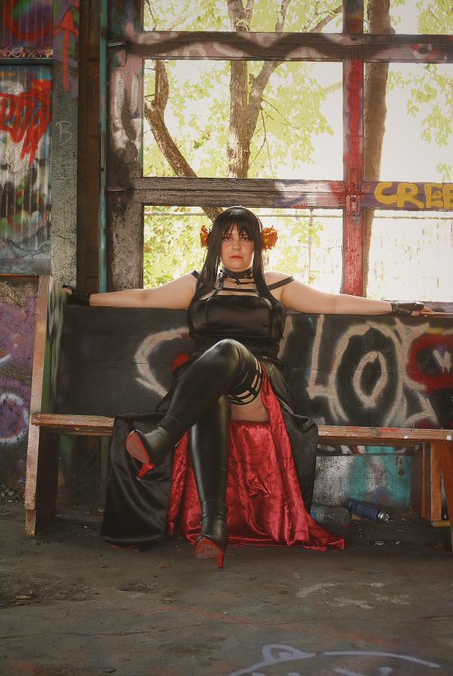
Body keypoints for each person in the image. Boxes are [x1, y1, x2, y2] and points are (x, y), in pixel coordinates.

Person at [64, 206, 429, 568]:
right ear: (215, 245)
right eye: (227, 238)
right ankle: (213, 526)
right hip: (204, 389)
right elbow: (145, 297)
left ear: (258, 243)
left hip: (258, 387)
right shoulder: (198, 284)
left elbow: (331, 302)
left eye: (245, 237)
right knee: (212, 398)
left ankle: (163, 437)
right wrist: (85, 299)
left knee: (228, 349)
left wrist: (394, 306)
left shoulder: (275, 284)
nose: (236, 245)